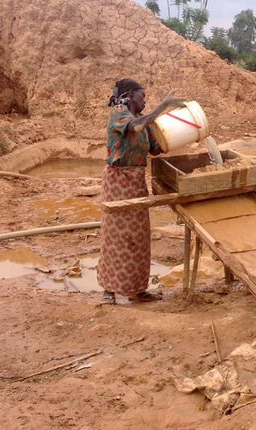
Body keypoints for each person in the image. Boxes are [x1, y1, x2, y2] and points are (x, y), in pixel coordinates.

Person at [98, 78, 185, 304]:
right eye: (142, 96)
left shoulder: (141, 120)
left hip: (136, 181)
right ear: (130, 94)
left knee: (138, 237)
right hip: (118, 180)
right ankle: (109, 290)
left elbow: (155, 149)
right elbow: (135, 127)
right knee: (116, 235)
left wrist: (183, 131)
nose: (145, 100)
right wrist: (163, 105)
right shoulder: (120, 113)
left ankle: (137, 289)